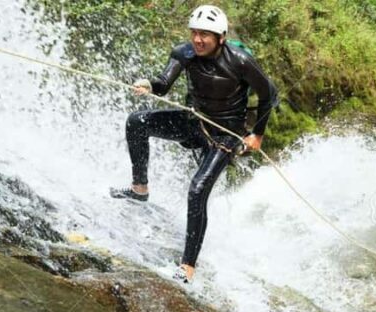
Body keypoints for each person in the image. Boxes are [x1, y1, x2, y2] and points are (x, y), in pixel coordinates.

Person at [111, 5, 278, 283]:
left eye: (205, 35)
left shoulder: (240, 61)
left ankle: (187, 267)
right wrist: (149, 85)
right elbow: (164, 84)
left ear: (220, 37)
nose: (198, 40)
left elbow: (268, 95)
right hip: (195, 121)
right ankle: (139, 188)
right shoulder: (184, 53)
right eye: (195, 33)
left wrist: (257, 135)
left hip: (225, 134)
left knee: (198, 189)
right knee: (137, 121)